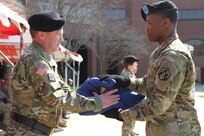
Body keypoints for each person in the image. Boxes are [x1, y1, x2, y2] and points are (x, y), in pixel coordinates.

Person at [6, 11, 120, 136]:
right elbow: (59, 98)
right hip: (27, 131)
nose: (62, 39)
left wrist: (87, 95)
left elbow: (63, 92)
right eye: (58, 34)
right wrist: (97, 102)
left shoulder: (44, 59)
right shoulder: (35, 61)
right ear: (42, 34)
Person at [100, 1, 201, 136]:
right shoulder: (161, 52)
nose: (146, 28)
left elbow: (158, 104)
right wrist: (125, 81)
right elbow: (149, 85)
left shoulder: (172, 56)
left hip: (177, 131)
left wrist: (122, 114)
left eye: (149, 23)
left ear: (165, 23)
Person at [120, 55, 144, 136]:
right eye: (135, 63)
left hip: (129, 100)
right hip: (128, 101)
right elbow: (133, 87)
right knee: (128, 119)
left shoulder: (129, 73)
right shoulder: (127, 75)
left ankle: (130, 132)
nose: (137, 64)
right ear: (130, 64)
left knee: (130, 118)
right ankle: (127, 133)